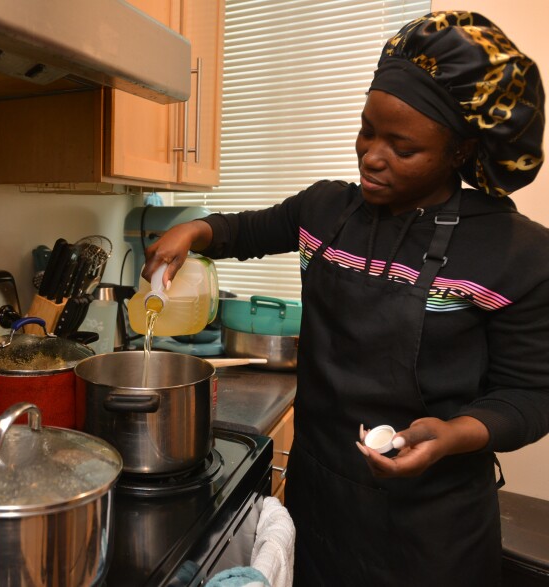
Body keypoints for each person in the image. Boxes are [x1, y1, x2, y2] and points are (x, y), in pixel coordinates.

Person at [142, 11, 549, 587]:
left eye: (402, 147)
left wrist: (455, 434)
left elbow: (531, 395)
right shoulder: (325, 210)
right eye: (367, 130)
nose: (372, 156)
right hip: (321, 498)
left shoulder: (516, 253)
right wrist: (197, 231)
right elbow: (249, 230)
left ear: (460, 152)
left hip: (433, 526)